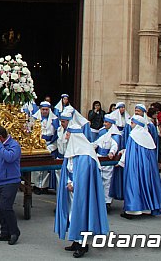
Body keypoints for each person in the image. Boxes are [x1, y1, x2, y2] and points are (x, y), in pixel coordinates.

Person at [55, 123, 109, 258]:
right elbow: (68, 169)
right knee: (72, 215)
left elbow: (83, 176)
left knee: (80, 215)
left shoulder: (85, 156)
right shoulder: (72, 151)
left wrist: (73, 184)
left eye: (68, 133)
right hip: (71, 190)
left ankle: (82, 245)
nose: (66, 136)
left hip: (80, 192)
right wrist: (68, 182)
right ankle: (75, 241)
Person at [119, 115, 161, 219]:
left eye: (132, 123)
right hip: (147, 167)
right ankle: (147, 208)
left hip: (134, 166)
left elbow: (129, 152)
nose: (131, 125)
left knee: (133, 185)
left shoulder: (133, 136)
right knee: (146, 184)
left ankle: (132, 210)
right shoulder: (147, 136)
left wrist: (122, 162)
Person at [92, 115, 120, 208]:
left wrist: (112, 152)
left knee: (107, 181)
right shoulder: (103, 133)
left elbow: (114, 145)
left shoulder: (115, 135)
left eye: (106, 122)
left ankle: (107, 202)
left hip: (108, 161)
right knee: (99, 179)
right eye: (104, 122)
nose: (105, 124)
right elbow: (96, 143)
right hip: (100, 159)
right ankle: (99, 200)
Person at [32, 101, 58, 194]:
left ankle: (44, 186)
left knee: (45, 167)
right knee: (37, 166)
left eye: (46, 110)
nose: (45, 111)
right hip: (37, 145)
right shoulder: (34, 119)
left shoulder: (54, 121)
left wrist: (51, 147)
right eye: (43, 109)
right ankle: (36, 185)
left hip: (49, 145)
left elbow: (56, 135)